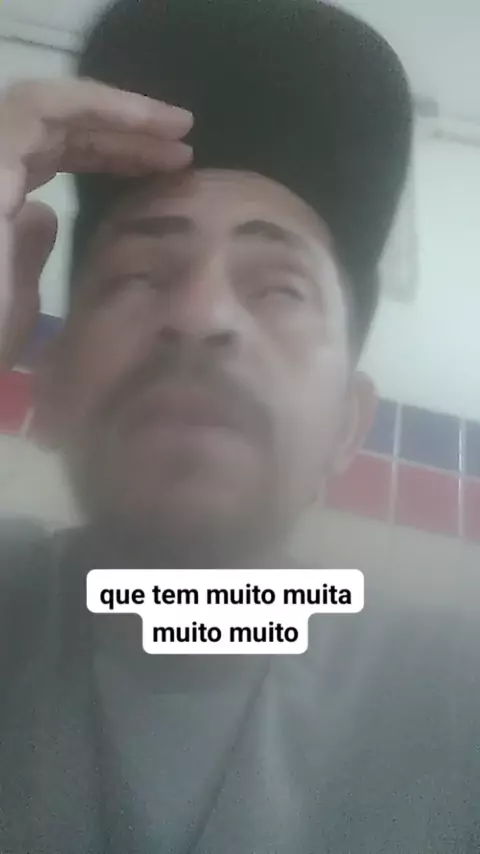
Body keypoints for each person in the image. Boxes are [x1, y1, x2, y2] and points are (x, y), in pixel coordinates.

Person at [0, 0, 478, 851]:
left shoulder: (453, 694)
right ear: (57, 385)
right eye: (142, 274)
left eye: (278, 287)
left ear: (346, 425)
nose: (201, 313)